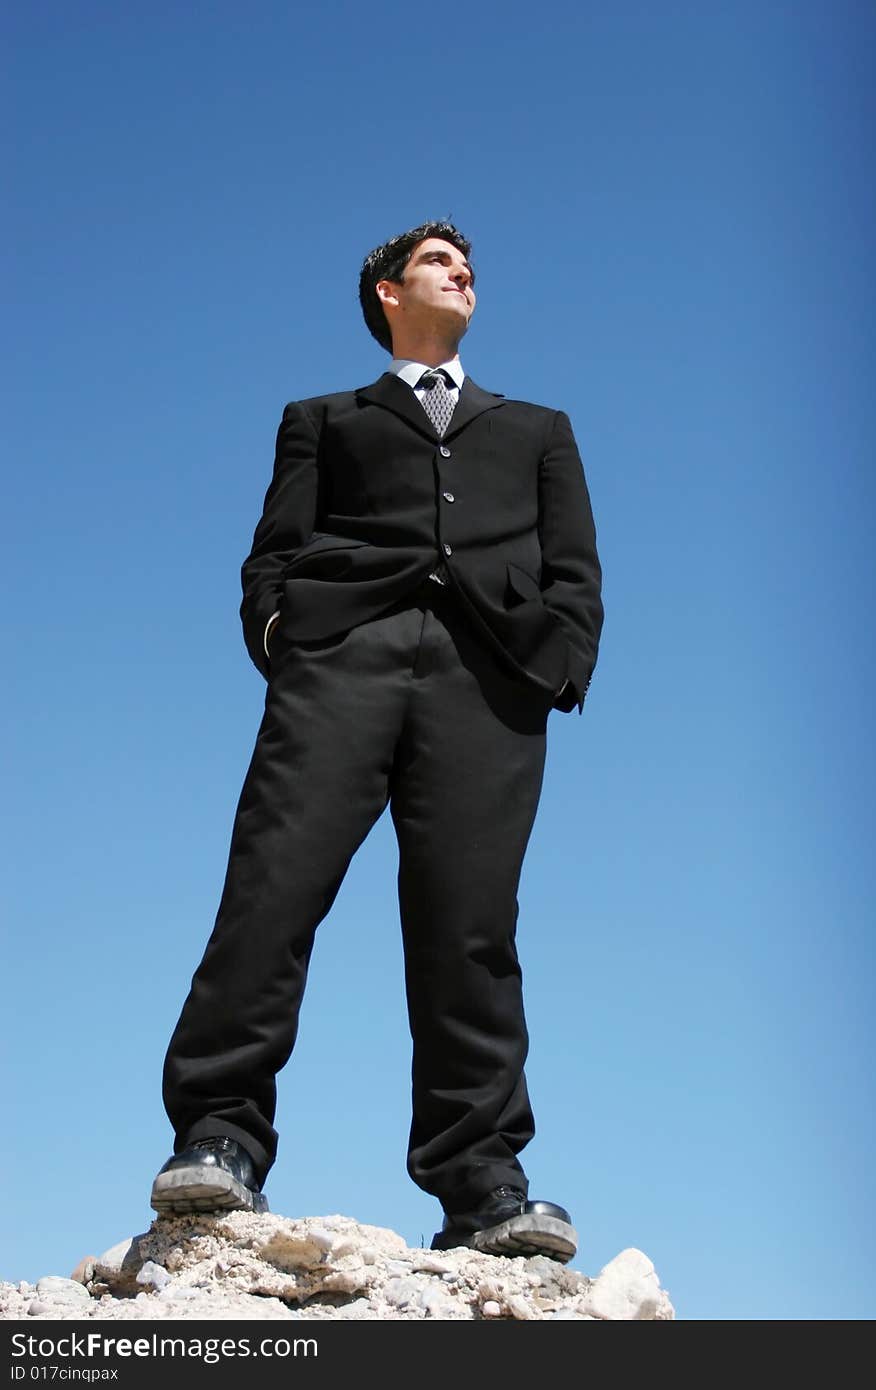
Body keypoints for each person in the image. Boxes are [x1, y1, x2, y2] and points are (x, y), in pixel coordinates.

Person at [151, 221, 603, 1263]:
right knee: (273, 883)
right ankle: (219, 1133)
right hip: (340, 663)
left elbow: (574, 563)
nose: (464, 272)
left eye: (470, 265)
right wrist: (285, 634)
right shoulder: (322, 418)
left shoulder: (538, 427)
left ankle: (484, 1182)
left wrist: (559, 660)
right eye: (439, 261)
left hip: (488, 682)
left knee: (471, 926)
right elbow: (273, 549)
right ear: (388, 294)